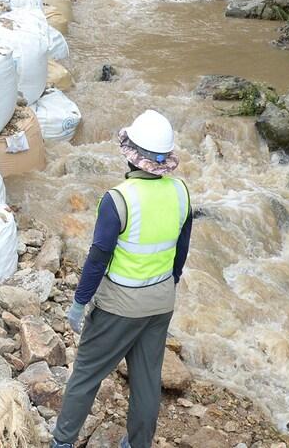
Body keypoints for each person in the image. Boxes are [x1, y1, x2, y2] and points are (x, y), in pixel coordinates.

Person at [50, 110, 193, 448]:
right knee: (146, 380)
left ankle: (62, 441)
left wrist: (79, 302)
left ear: (131, 154)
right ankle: (138, 443)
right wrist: (167, 284)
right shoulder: (181, 192)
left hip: (119, 306)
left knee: (86, 373)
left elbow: (98, 256)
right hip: (161, 302)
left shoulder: (119, 199)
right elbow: (180, 253)